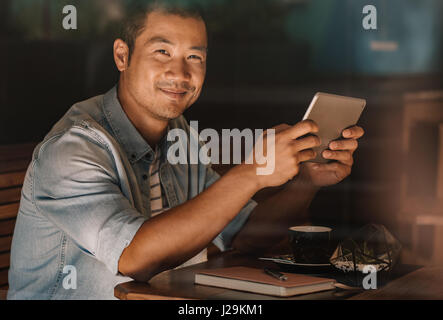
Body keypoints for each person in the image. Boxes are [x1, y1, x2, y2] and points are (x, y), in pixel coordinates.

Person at [8, 2, 364, 299]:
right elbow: (135, 258)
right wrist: (253, 172)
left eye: (195, 57)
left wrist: (306, 181)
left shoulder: (178, 135)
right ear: (122, 55)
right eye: (162, 51)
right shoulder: (73, 149)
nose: (179, 72)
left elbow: (246, 237)